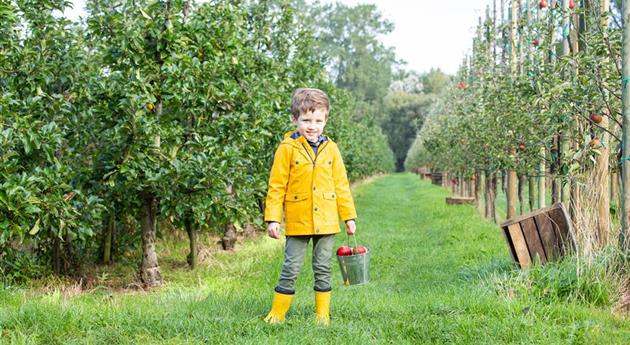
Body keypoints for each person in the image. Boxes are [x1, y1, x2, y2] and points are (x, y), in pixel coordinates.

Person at [263, 88, 357, 326]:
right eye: (306, 120)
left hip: (326, 220)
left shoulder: (331, 149)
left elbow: (342, 185)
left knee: (323, 266)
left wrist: (348, 217)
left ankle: (322, 315)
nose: (312, 126)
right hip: (298, 219)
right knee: (291, 266)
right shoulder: (287, 148)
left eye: (318, 120)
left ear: (325, 120)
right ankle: (278, 313)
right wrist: (273, 218)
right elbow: (276, 186)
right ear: (295, 120)